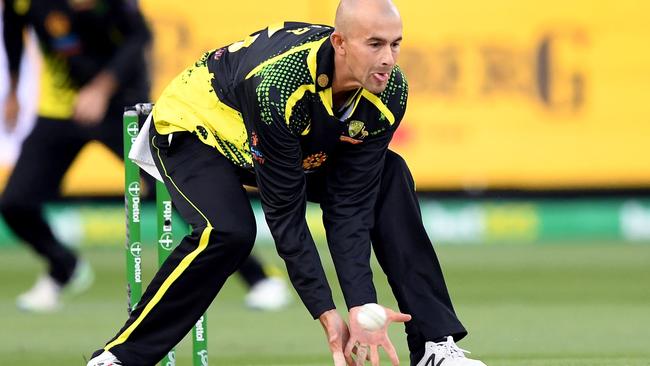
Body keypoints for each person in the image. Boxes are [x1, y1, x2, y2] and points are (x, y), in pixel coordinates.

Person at [87, 0, 487, 365]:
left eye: (395, 45)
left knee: (390, 176)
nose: (388, 59)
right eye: (376, 44)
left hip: (277, 142)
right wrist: (326, 314)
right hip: (199, 127)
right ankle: (119, 357)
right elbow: (285, 211)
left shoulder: (390, 92)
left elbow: (350, 207)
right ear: (341, 43)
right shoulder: (281, 86)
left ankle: (435, 346)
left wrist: (361, 308)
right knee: (227, 232)